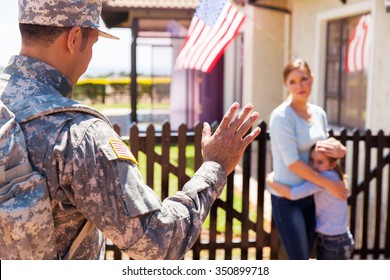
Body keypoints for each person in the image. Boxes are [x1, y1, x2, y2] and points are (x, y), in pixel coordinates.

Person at [0, 0, 261, 260]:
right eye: (92, 44)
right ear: (74, 38)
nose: (89, 55)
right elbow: (159, 242)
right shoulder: (78, 133)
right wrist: (215, 166)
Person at [268, 58, 348, 260]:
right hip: (288, 198)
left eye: (303, 79)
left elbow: (326, 151)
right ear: (286, 85)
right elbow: (293, 163)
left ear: (311, 79)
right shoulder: (282, 117)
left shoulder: (319, 113)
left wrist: (341, 151)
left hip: (313, 197)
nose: (299, 86)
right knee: (299, 258)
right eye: (292, 81)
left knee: (311, 255)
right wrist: (330, 185)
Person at [266, 144, 354, 260]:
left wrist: (270, 181)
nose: (314, 166)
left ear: (332, 164)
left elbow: (294, 194)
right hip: (339, 239)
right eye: (312, 160)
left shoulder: (322, 179)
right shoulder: (333, 175)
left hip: (332, 243)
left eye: (320, 162)